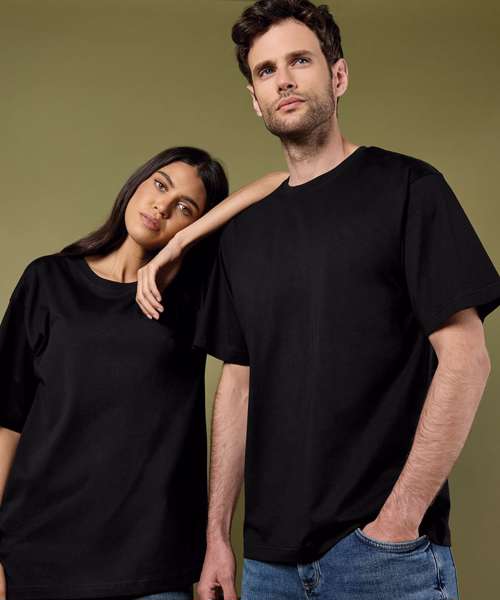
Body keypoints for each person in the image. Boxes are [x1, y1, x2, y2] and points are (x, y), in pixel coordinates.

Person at [138, 2, 500, 599]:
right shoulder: (244, 233)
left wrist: (398, 522)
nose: (283, 80)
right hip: (267, 567)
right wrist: (218, 538)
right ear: (255, 100)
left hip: (387, 559)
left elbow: (467, 360)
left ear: (338, 75)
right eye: (266, 70)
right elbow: (237, 386)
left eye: (299, 61)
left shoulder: (409, 189)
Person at [0, 145, 287, 600]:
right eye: (159, 185)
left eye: (184, 208)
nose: (162, 206)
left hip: (151, 565)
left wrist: (179, 246)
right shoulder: (48, 280)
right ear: (137, 182)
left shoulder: (194, 297)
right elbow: (7, 420)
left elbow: (279, 184)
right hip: (37, 556)